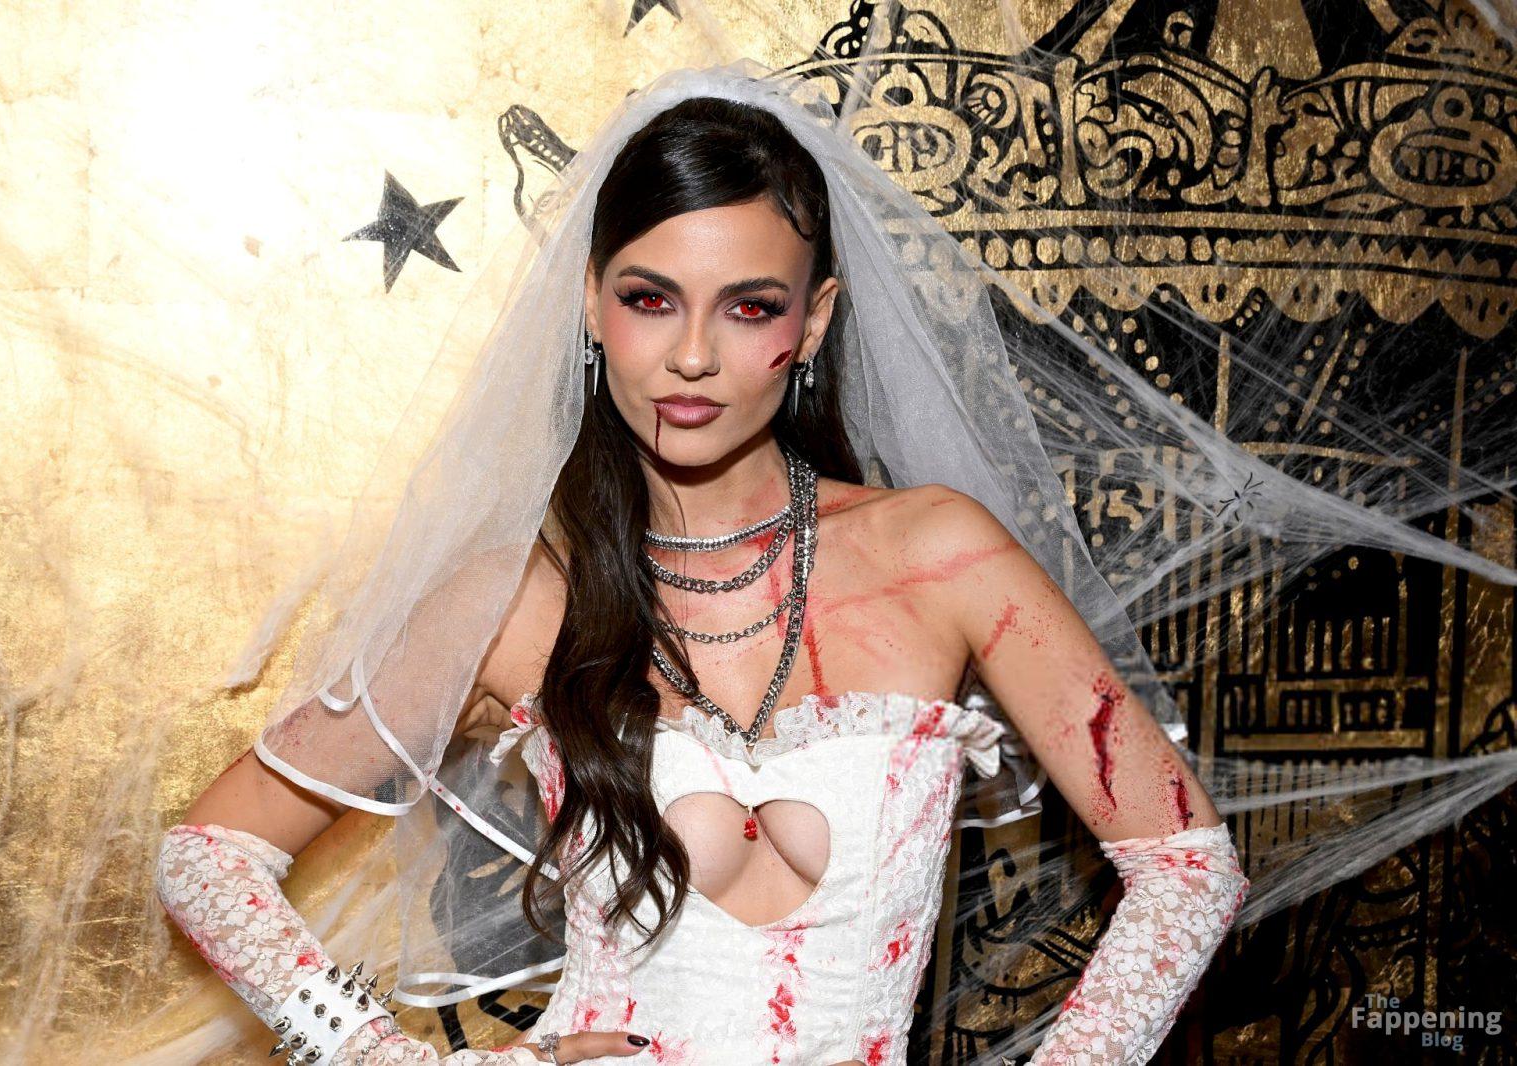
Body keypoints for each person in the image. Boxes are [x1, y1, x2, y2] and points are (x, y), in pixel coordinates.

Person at [154, 60, 1253, 1065]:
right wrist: (384, 1058)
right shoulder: (518, 598)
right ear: (592, 304)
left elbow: (1187, 870)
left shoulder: (939, 556)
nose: (691, 355)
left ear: (811, 323)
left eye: (749, 307)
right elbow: (208, 855)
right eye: (650, 299)